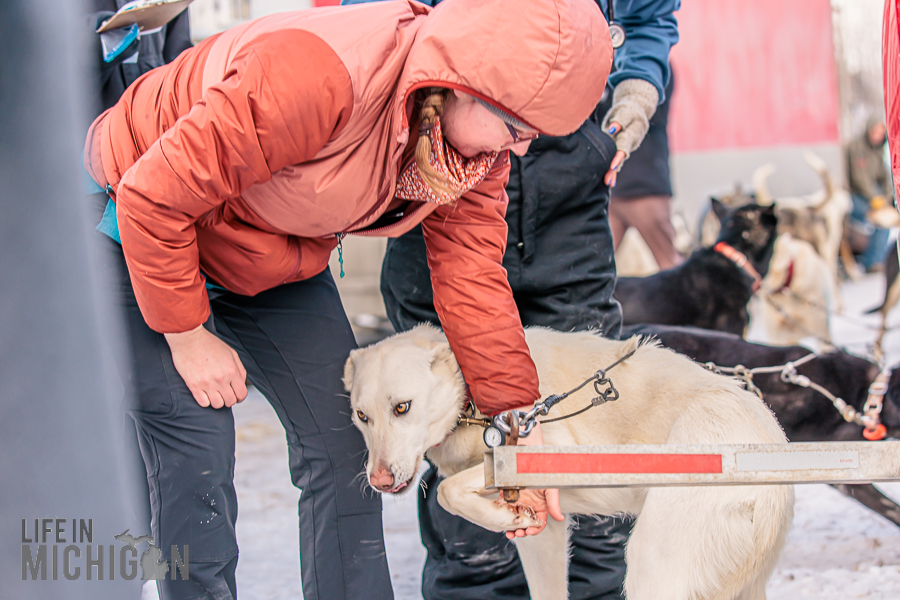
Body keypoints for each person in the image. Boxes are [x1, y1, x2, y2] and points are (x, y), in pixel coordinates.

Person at [81, 1, 613, 598]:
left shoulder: (468, 155)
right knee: (196, 445)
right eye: (516, 130)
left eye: (532, 137)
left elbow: (472, 279)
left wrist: (518, 419)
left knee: (341, 441)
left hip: (262, 242)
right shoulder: (320, 75)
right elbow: (152, 195)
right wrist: (186, 333)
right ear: (462, 85)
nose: (517, 151)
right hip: (131, 226)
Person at [374, 0, 679, 598]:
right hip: (442, 182)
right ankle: (474, 588)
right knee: (455, 439)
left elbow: (647, 18)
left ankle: (593, 593)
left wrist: (633, 97)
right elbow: (381, 23)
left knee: (586, 427)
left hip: (570, 189)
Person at [609, 74, 683, 270]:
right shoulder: (607, 61)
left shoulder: (650, 65)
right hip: (611, 185)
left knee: (670, 265)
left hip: (644, 183)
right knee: (597, 268)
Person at [847, 117, 894, 272]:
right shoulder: (857, 148)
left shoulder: (878, 150)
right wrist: (874, 197)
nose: (878, 136)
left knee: (886, 221)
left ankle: (876, 260)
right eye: (875, 132)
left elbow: (885, 175)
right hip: (856, 196)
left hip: (873, 197)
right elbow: (860, 179)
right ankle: (870, 261)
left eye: (881, 134)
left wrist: (888, 195)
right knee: (880, 220)